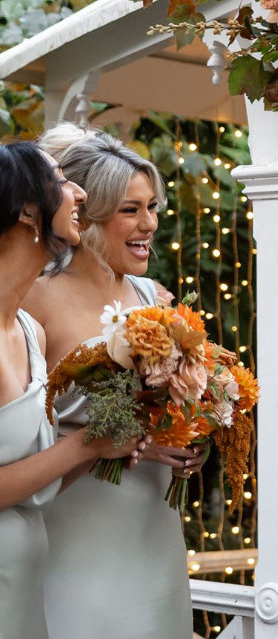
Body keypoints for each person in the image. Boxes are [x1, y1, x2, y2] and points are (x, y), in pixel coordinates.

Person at [23, 125, 198, 639]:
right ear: (87, 214)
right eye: (131, 210)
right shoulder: (34, 300)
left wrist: (192, 435)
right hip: (77, 540)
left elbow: (177, 406)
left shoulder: (155, 298)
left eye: (153, 207)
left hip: (154, 535)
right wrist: (108, 444)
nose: (150, 223)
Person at [0, 142, 135, 639]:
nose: (78, 192)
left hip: (24, 585)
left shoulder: (31, 333)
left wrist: (114, 441)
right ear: (27, 211)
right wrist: (88, 444)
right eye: (61, 181)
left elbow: (36, 481)